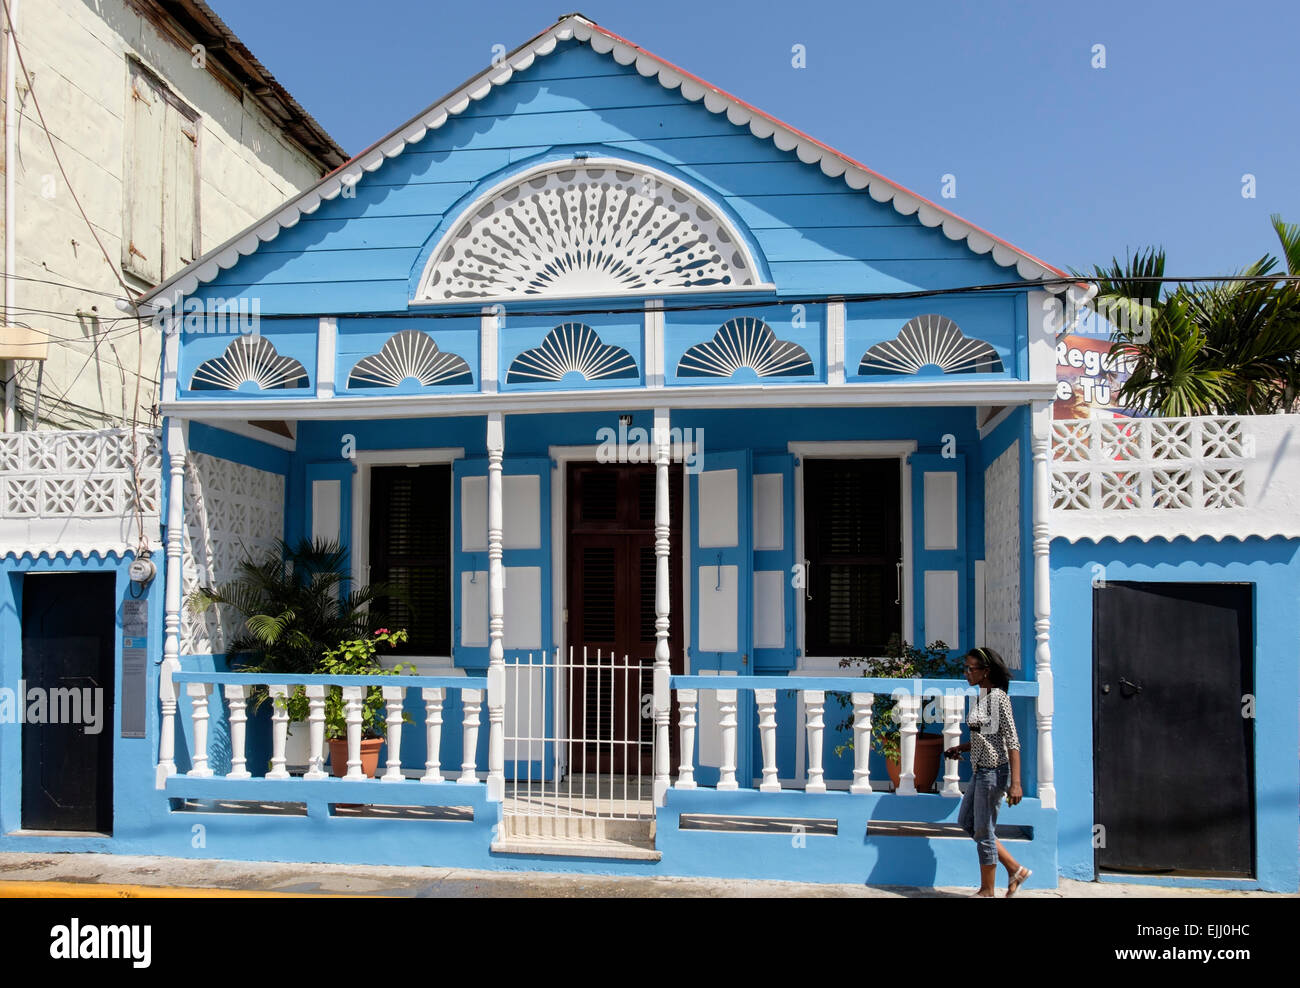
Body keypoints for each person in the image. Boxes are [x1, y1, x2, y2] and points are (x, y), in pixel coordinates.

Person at [944, 646, 1031, 897]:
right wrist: (961, 747)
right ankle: (1015, 869)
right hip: (980, 771)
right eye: (966, 668)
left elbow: (1012, 741)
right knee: (967, 822)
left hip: (994, 773)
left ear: (986, 671)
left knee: (983, 831)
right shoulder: (983, 696)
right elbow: (985, 736)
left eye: (971, 669)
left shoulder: (999, 698)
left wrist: (1016, 783)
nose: (966, 673)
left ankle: (987, 890)